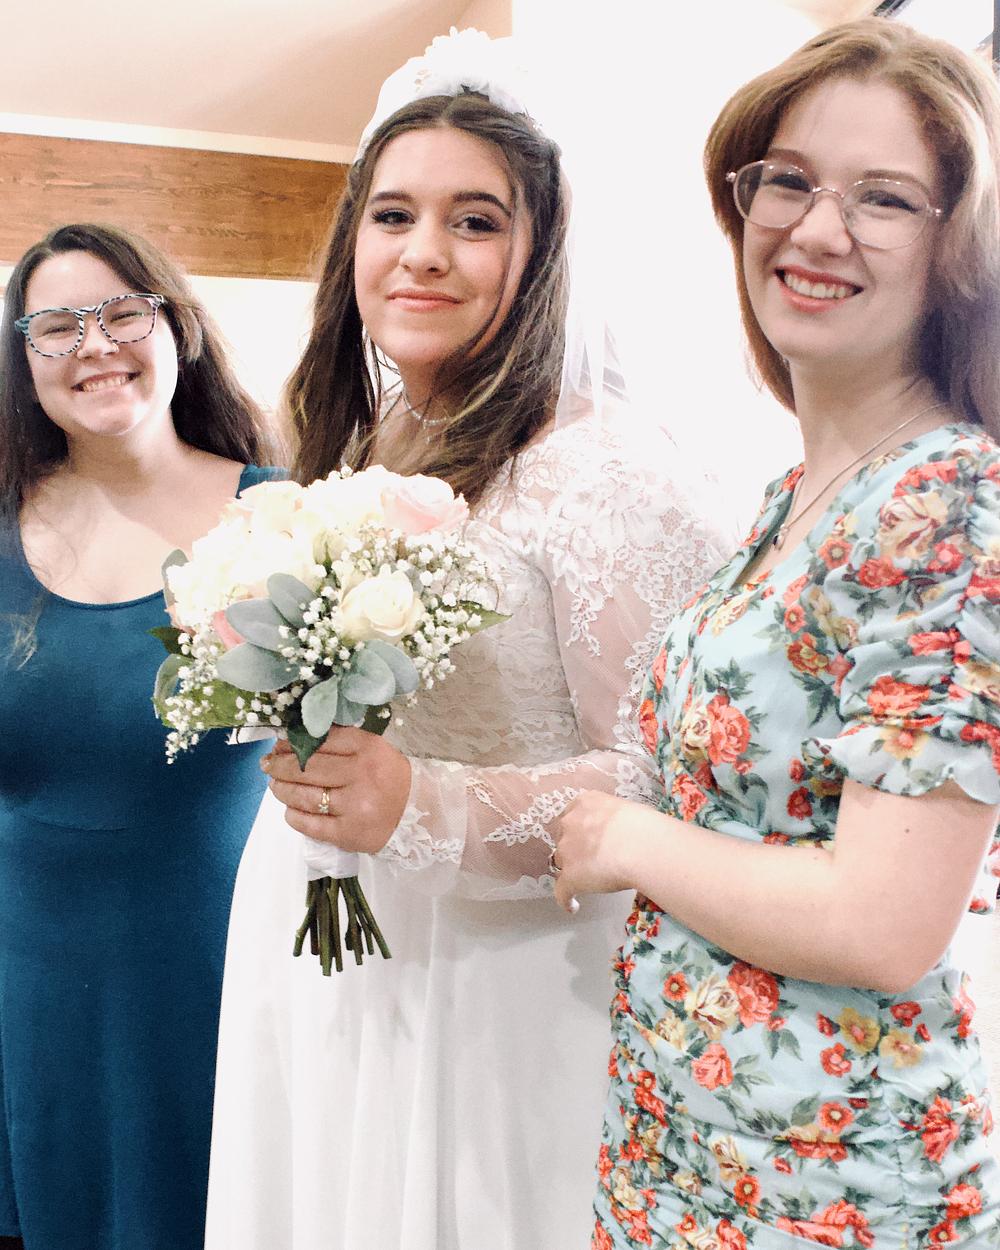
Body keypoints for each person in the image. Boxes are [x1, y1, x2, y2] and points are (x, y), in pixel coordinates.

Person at [205, 29, 723, 1250]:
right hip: (330, 945)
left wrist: (424, 804)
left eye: (475, 221)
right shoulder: (360, 438)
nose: (423, 251)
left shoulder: (602, 469)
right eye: (393, 215)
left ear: (541, 254)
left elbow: (672, 774)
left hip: (502, 980)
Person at [551, 18, 1000, 1248]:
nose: (815, 228)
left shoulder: (948, 498)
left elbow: (881, 921)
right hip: (685, 1145)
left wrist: (628, 839)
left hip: (826, 1183)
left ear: (958, 252)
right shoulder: (792, 493)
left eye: (883, 198)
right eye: (788, 180)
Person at [0, 223, 279, 1250]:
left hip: (213, 973)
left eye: (123, 313)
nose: (94, 345)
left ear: (178, 329)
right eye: (56, 326)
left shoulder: (278, 516)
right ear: (25, 360)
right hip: (26, 980)